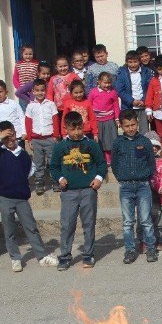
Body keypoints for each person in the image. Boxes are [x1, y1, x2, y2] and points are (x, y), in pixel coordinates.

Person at [0, 120, 58, 272]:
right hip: (5, 198)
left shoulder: (23, 155)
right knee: (9, 230)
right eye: (5, 138)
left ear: (16, 134)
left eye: (11, 136)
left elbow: (30, 171)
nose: (9, 140)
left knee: (31, 227)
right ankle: (15, 258)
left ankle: (41, 256)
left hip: (22, 198)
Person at [51, 112, 106, 271]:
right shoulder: (60, 146)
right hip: (69, 192)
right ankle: (65, 256)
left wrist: (98, 179)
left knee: (88, 223)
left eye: (79, 128)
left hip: (88, 191)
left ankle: (88, 254)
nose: (77, 132)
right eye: (73, 129)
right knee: (67, 225)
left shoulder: (91, 145)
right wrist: (60, 178)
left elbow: (101, 164)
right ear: (66, 128)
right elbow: (54, 167)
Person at [110, 109, 157, 265]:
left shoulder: (144, 142)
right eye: (127, 126)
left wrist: (145, 176)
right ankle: (130, 250)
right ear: (121, 127)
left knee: (145, 220)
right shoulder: (117, 143)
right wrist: (122, 177)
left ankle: (151, 248)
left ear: (137, 123)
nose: (130, 128)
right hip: (126, 187)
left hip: (143, 185)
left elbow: (151, 162)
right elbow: (115, 164)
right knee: (128, 222)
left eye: (133, 125)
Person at [24, 80, 60, 195]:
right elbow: (28, 123)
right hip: (36, 139)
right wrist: (29, 139)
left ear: (46, 90)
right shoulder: (30, 106)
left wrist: (56, 135)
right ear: (33, 91)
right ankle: (39, 181)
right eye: (37, 90)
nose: (40, 93)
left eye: (42, 90)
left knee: (52, 160)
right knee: (38, 162)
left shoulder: (50, 104)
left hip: (50, 137)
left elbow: (55, 120)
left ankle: (55, 180)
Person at [115, 51, 154, 135]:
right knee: (129, 130)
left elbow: (149, 88)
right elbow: (120, 90)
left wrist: (143, 101)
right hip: (128, 106)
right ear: (126, 62)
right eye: (130, 62)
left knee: (144, 131)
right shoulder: (122, 73)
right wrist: (132, 101)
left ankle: (143, 147)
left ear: (139, 61)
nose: (133, 65)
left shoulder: (146, 72)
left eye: (135, 62)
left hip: (143, 106)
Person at [89, 72, 120, 164]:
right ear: (99, 82)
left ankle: (109, 158)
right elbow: (89, 105)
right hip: (97, 120)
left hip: (109, 119)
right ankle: (99, 158)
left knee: (109, 139)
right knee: (99, 139)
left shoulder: (113, 92)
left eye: (109, 83)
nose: (107, 85)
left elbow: (116, 106)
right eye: (105, 83)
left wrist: (117, 118)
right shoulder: (94, 92)